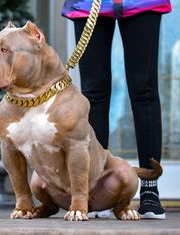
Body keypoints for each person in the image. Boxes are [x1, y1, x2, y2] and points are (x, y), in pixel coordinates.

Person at [62, 0, 171, 219]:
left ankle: (150, 189)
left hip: (142, 3)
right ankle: (97, 188)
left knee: (144, 90)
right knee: (94, 92)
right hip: (88, 4)